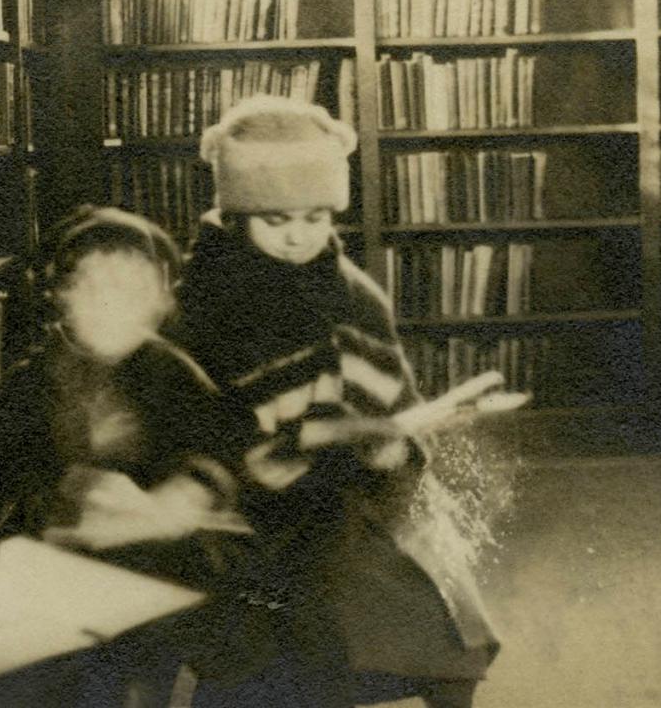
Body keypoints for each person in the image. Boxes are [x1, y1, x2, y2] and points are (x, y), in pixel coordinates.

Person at [176, 96, 499, 708]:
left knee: (446, 626)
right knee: (264, 656)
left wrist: (386, 446)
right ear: (237, 214)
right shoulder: (203, 302)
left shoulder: (354, 295)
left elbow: (393, 404)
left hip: (352, 495)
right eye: (276, 221)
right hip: (240, 507)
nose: (299, 236)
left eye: (314, 216)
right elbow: (189, 423)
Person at [0, 205, 254, 707]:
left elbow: (221, 448)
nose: (112, 305)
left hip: (147, 580)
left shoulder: (172, 374)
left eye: (132, 292)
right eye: (94, 290)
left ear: (158, 302)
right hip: (48, 580)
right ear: (64, 299)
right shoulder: (35, 379)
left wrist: (182, 493)